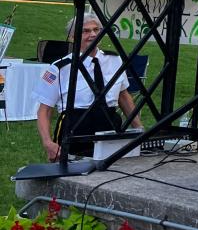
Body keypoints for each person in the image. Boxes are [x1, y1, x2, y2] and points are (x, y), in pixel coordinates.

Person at [35, 12, 141, 161]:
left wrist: (139, 130)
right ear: (72, 37)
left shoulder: (114, 60)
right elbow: (44, 110)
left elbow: (124, 97)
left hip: (109, 124)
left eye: (96, 30)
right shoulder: (59, 68)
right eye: (85, 31)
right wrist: (48, 143)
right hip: (76, 126)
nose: (92, 34)